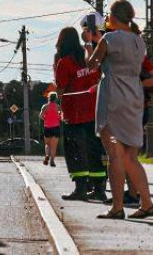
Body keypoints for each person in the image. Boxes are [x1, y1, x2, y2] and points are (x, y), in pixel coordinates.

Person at [89, 0, 153, 220]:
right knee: (130, 157)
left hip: (113, 99)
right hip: (134, 98)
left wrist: (93, 42)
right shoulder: (139, 41)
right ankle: (146, 203)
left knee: (115, 155)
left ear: (114, 18)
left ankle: (117, 207)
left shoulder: (109, 38)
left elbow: (92, 63)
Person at [53, 24, 106, 202]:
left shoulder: (64, 63)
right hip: (94, 111)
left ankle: (81, 189)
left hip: (74, 114)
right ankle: (99, 189)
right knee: (94, 150)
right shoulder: (88, 58)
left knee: (75, 151)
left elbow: (60, 89)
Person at [40, 92, 61, 167]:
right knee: (54, 146)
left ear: (48, 98)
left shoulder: (45, 106)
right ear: (56, 99)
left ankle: (47, 155)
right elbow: (61, 117)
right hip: (56, 128)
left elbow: (41, 116)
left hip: (47, 127)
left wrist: (46, 119)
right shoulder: (58, 107)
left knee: (47, 144)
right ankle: (52, 161)